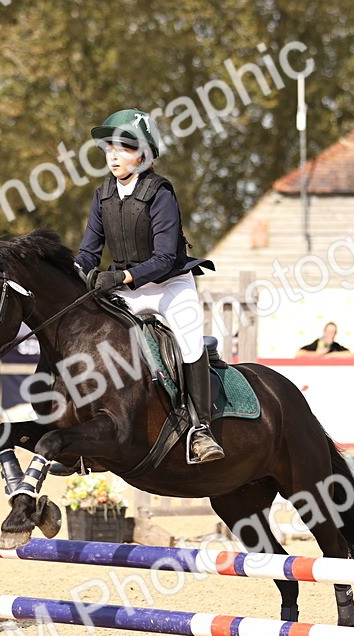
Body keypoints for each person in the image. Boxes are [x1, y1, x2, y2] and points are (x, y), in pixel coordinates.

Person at [74, 108, 223, 464]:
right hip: (126, 291)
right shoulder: (103, 195)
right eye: (109, 147)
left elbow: (163, 258)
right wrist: (76, 274)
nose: (113, 154)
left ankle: (200, 429)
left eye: (123, 148)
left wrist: (121, 277)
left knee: (188, 341)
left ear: (143, 155)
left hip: (169, 285)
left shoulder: (161, 194)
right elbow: (88, 252)